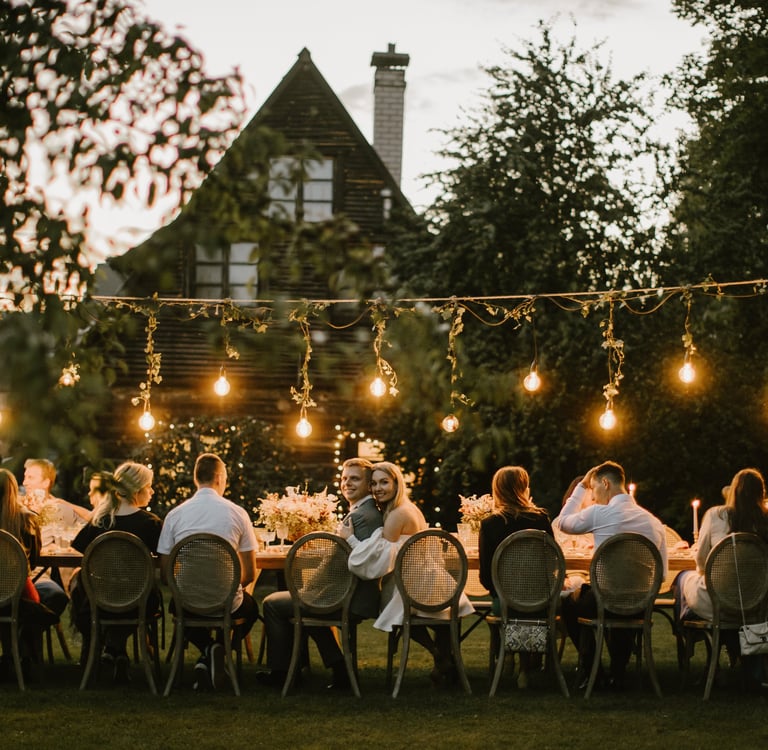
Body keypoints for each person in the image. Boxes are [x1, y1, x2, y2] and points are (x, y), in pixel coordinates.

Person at [258, 457, 383, 691]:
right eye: (344, 478)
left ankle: (282, 673)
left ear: (368, 485)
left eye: (354, 478)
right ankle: (338, 668)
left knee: (273, 603)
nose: (347, 483)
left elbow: (338, 566)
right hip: (352, 593)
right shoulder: (367, 512)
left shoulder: (359, 517)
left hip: (351, 597)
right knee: (307, 603)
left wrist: (309, 587)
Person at [348, 461, 474, 686]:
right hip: (433, 579)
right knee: (439, 618)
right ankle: (444, 663)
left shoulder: (397, 514)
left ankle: (439, 656)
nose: (378, 488)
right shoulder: (408, 507)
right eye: (374, 483)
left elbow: (378, 560)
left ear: (397, 483)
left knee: (391, 609)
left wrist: (349, 538)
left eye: (384, 482)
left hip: (413, 582)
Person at [558, 460, 667, 689]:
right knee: (621, 600)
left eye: (594, 489)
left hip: (604, 601)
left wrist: (581, 488)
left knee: (568, 603)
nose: (594, 497)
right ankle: (618, 672)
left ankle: (592, 670)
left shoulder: (600, 513)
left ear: (605, 483)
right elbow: (663, 574)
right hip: (640, 604)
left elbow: (563, 523)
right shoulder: (655, 523)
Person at [157, 452, 258, 691]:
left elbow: (165, 575)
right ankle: (218, 653)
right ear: (220, 478)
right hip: (227, 603)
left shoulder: (175, 515)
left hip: (188, 602)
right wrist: (226, 586)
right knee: (251, 609)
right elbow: (250, 574)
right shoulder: (237, 513)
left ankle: (208, 651)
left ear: (195, 479)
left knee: (178, 607)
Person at [70, 463, 163, 683]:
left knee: (81, 584)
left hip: (99, 601)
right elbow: (163, 560)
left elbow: (81, 552)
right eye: (149, 487)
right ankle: (115, 650)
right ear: (136, 490)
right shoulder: (150, 524)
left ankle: (113, 650)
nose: (152, 492)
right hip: (137, 602)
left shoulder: (99, 521)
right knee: (146, 596)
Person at [674, 468, 768, 679]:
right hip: (756, 606)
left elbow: (701, 561)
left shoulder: (716, 515)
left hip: (719, 603)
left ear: (733, 491)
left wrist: (705, 574)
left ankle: (686, 639)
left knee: (682, 577)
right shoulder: (764, 521)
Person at [478, 465, 553, 688]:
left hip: (505, 602)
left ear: (497, 490)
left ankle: (508, 652)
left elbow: (485, 575)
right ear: (524, 488)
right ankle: (525, 669)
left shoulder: (490, 524)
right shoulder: (541, 520)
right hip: (538, 600)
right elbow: (551, 564)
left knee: (508, 608)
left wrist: (500, 592)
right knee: (533, 608)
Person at [0, 468, 59, 681]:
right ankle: (23, 655)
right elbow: (33, 561)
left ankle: (8, 656)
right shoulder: (26, 519)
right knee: (35, 603)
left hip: (10, 594)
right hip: (18, 590)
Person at [23, 458, 88, 616]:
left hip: (39, 574)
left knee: (54, 597)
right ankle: (26, 635)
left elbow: (92, 525)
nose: (24, 482)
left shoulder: (60, 509)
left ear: (46, 483)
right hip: (16, 572)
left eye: (30, 477)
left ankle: (26, 635)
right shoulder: (16, 506)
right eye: (24, 477)